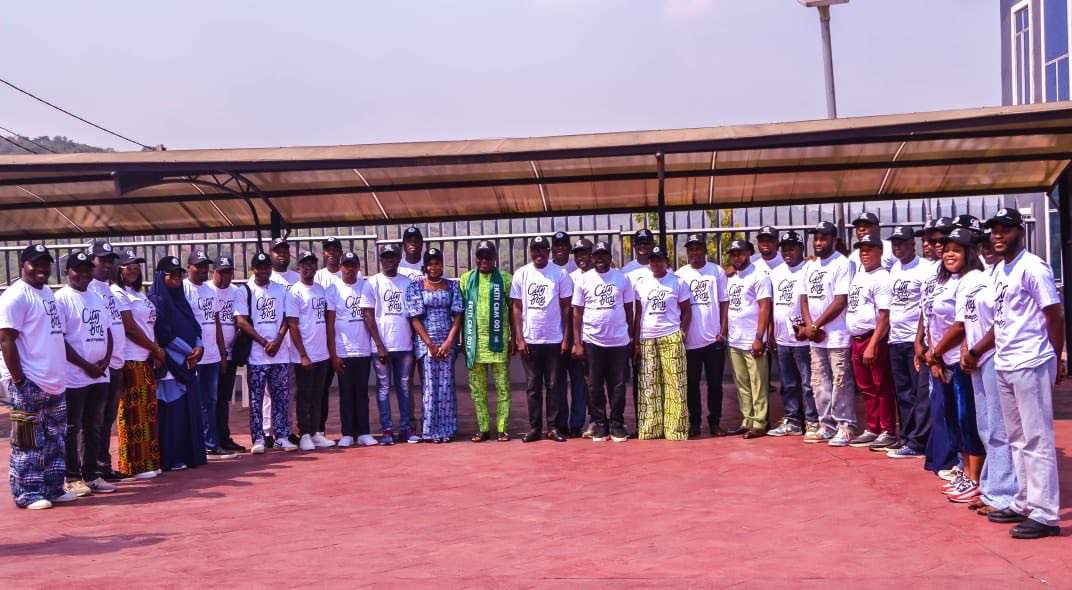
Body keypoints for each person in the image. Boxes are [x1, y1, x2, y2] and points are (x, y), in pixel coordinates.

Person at [982, 208, 1064, 539]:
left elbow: (1054, 315)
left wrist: (1056, 357)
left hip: (1031, 360)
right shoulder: (1000, 269)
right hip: (1005, 362)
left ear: (1021, 231)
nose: (998, 235)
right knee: (1016, 437)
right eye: (994, 230)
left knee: (1037, 438)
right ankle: (1025, 501)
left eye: (1006, 229)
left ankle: (1045, 514)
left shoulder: (1033, 267)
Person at [1, 244, 79, 509]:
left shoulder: (47, 293)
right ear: (24, 265)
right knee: (28, 443)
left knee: (55, 440)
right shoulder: (15, 297)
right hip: (29, 381)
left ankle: (53, 488)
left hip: (54, 381)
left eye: (46, 264)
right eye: (36, 263)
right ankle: (27, 493)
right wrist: (19, 381)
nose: (42, 269)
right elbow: (6, 340)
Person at [924, 228, 986, 503]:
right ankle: (965, 471)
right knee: (953, 420)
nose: (949, 254)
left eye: (956, 250)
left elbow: (961, 326)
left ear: (969, 253)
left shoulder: (973, 280)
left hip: (962, 361)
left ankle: (975, 478)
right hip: (943, 361)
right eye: (946, 249)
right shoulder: (945, 280)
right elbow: (930, 318)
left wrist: (936, 353)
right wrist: (934, 355)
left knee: (967, 418)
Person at [957, 232, 1017, 516]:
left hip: (994, 355)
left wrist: (977, 350)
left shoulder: (1003, 276)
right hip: (976, 358)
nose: (986, 250)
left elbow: (1000, 322)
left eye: (990, 245)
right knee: (984, 426)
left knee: (998, 427)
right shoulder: (974, 279)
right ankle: (991, 486)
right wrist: (966, 349)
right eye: (981, 246)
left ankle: (1004, 493)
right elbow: (968, 321)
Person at [56, 252, 115, 496]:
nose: (83, 274)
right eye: (77, 269)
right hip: (74, 376)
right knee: (73, 427)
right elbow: (60, 340)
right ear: (67, 272)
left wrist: (106, 361)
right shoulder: (61, 299)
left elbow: (108, 332)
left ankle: (92, 474)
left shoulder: (97, 297)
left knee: (94, 425)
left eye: (87, 269)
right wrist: (86, 365)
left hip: (100, 374)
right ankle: (72, 476)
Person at [798, 221, 857, 446]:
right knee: (818, 382)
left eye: (823, 238)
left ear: (834, 240)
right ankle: (826, 425)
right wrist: (811, 327)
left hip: (837, 335)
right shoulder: (810, 266)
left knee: (840, 382)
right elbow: (803, 299)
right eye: (816, 238)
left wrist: (815, 326)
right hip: (816, 338)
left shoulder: (842, 263)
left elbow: (841, 301)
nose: (818, 242)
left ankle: (845, 426)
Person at [150, 256, 209, 472]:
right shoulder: (157, 301)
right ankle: (172, 457)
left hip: (189, 362)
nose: (176, 278)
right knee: (173, 413)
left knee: (188, 411)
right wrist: (188, 352)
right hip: (172, 365)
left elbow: (195, 327)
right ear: (160, 276)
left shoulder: (182, 299)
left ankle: (188, 455)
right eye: (171, 274)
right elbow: (164, 334)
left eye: (178, 274)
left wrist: (199, 347)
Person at [572, 240, 635, 443]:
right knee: (594, 385)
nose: (600, 259)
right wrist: (578, 343)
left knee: (618, 385)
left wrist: (631, 338)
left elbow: (629, 310)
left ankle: (616, 424)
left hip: (619, 341)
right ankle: (600, 423)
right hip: (593, 341)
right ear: (592, 258)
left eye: (604, 255)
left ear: (610, 256)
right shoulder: (584, 280)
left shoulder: (622, 278)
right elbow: (577, 313)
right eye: (596, 255)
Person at [235, 252, 297, 453]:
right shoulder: (245, 290)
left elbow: (288, 318)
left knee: (281, 397)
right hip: (257, 356)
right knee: (256, 399)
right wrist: (263, 342)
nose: (263, 271)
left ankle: (282, 436)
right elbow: (241, 321)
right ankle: (259, 438)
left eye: (266, 267)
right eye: (259, 267)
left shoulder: (281, 289)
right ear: (253, 269)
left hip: (280, 354)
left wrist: (278, 340)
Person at [512, 236, 572, 443]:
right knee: (533, 387)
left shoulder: (560, 274)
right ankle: (535, 428)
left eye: (542, 249)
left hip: (554, 340)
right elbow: (517, 308)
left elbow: (566, 308)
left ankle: (553, 427)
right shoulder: (521, 274)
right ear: (530, 252)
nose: (538, 253)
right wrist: (519, 339)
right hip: (531, 340)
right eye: (534, 249)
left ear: (549, 251)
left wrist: (566, 338)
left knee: (554, 385)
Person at [113, 249, 165, 479]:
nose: (133, 270)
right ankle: (133, 465)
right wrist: (155, 349)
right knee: (133, 414)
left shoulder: (138, 293)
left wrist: (154, 349)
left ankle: (148, 461)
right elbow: (130, 328)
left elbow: (148, 325)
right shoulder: (117, 293)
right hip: (131, 359)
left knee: (147, 413)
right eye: (128, 266)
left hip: (145, 359)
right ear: (119, 269)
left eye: (136, 265)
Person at [405, 248, 464, 443]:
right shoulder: (415, 287)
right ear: (425, 266)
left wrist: (449, 342)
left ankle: (447, 430)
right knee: (430, 388)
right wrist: (429, 343)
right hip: (426, 344)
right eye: (430, 264)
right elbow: (414, 318)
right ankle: (430, 431)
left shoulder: (452, 286)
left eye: (437, 263)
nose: (433, 267)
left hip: (447, 343)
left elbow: (458, 316)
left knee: (446, 387)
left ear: (442, 265)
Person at [632, 246, 692, 440]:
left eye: (659, 260)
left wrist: (682, 332)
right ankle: (651, 428)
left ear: (667, 262)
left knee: (675, 384)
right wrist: (636, 342)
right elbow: (638, 314)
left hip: (670, 336)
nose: (655, 263)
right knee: (649, 385)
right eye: (652, 260)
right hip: (647, 338)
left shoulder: (677, 282)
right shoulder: (641, 283)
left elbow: (687, 311)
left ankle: (676, 429)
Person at [844, 234, 897, 450]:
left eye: (870, 249)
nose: (865, 253)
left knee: (881, 386)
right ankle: (873, 427)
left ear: (880, 252)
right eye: (862, 250)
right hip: (857, 339)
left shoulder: (881, 278)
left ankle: (887, 430)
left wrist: (873, 345)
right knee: (866, 387)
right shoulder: (859, 275)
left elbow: (885, 316)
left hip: (872, 338)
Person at [916, 217, 959, 477]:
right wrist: (920, 343)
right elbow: (926, 310)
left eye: (942, 239)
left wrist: (937, 353)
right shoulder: (931, 271)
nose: (936, 244)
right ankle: (942, 457)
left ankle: (956, 461)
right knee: (937, 405)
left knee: (954, 409)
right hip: (933, 350)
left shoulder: (961, 272)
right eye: (932, 240)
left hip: (953, 353)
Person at [460, 240, 515, 442]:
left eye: (488, 256)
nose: (484, 260)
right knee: (477, 390)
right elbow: (460, 313)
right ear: (475, 258)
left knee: (503, 388)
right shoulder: (465, 280)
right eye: (480, 256)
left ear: (495, 258)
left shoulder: (506, 279)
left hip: (499, 343)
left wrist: (514, 337)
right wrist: (463, 340)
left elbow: (514, 310)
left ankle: (502, 428)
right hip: (474, 344)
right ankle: (483, 428)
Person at [675, 233, 729, 438]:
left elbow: (724, 303)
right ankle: (694, 422)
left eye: (698, 248)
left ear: (705, 250)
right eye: (691, 249)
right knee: (691, 385)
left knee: (715, 384)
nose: (694, 252)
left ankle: (715, 422)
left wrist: (722, 332)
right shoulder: (680, 275)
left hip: (714, 340)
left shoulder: (716, 271)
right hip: (690, 342)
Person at [364, 243, 416, 445]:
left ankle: (406, 428)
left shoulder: (407, 283)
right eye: (386, 257)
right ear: (380, 259)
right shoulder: (372, 283)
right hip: (382, 347)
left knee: (404, 387)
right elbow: (368, 315)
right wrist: (379, 345)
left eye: (393, 256)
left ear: (398, 259)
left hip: (404, 346)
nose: (389, 260)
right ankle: (387, 430)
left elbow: (413, 314)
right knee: (384, 387)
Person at [88, 240, 131, 482]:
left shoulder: (108, 289)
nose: (107, 265)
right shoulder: (89, 289)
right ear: (91, 260)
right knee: (93, 422)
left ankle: (103, 465)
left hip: (115, 364)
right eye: (102, 260)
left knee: (106, 420)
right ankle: (90, 468)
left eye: (110, 261)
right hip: (98, 368)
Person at [884, 226, 930, 459]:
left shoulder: (925, 268)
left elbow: (926, 306)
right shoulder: (894, 269)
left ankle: (919, 441)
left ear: (913, 243)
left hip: (914, 341)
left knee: (919, 394)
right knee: (902, 393)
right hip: (896, 339)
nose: (898, 247)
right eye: (894, 243)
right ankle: (907, 437)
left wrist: (919, 340)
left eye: (902, 242)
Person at [183, 249, 234, 458]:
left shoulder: (210, 291)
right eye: (199, 266)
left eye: (205, 265)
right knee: (193, 401)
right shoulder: (184, 289)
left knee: (210, 401)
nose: (203, 269)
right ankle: (195, 444)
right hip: (193, 356)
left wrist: (223, 353)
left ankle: (211, 443)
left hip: (212, 355)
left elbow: (216, 323)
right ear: (189, 267)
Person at [767, 230, 817, 437]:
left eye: (792, 248)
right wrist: (771, 333)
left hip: (804, 339)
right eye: (784, 249)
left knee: (809, 383)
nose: (788, 252)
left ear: (801, 249)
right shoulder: (776, 273)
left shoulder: (810, 269)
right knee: (788, 384)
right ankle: (793, 420)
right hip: (783, 339)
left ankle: (813, 421)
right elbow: (772, 305)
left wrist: (810, 327)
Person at [326, 252, 378, 447]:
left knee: (362, 392)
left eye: (353, 265)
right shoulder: (333, 290)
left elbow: (371, 316)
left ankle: (364, 432)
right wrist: (333, 354)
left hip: (363, 349)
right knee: (346, 393)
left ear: (358, 267)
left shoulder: (366, 286)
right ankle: (347, 432)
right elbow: (330, 324)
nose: (349, 269)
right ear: (340, 268)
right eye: (346, 265)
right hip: (343, 351)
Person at [288, 250, 335, 451]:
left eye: (312, 264)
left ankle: (316, 432)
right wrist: (303, 354)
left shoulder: (321, 290)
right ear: (299, 268)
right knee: (304, 395)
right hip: (304, 355)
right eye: (305, 264)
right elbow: (292, 324)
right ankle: (304, 433)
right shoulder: (294, 292)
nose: (309, 268)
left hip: (321, 353)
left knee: (318, 394)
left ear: (317, 267)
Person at [725, 240, 772, 439]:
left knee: (758, 382)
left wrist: (759, 337)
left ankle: (760, 422)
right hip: (734, 339)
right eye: (733, 254)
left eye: (740, 253)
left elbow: (765, 307)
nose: (736, 257)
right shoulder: (731, 277)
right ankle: (748, 419)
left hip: (752, 339)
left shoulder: (759, 276)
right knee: (742, 383)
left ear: (749, 253)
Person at [210, 254, 247, 453]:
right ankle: (211, 439)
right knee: (210, 399)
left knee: (223, 399)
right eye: (221, 272)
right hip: (210, 355)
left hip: (230, 354)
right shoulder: (207, 290)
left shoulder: (236, 292)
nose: (225, 277)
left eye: (228, 273)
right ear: (213, 272)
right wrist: (221, 353)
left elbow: (239, 319)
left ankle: (224, 438)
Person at [267, 237, 299, 447]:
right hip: (268, 344)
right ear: (270, 254)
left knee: (289, 391)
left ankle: (286, 429)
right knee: (267, 392)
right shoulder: (264, 276)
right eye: (277, 251)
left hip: (291, 343)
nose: (282, 255)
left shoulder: (296, 278)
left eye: (285, 251)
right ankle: (266, 431)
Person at [559, 238, 593, 437]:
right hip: (570, 339)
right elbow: (569, 310)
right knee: (565, 384)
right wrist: (571, 339)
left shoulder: (603, 275)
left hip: (593, 338)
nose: (581, 257)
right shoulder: (570, 277)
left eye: (585, 252)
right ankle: (565, 424)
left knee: (585, 384)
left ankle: (581, 423)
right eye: (578, 253)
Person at [315, 237, 344, 439]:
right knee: (321, 388)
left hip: (345, 341)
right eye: (328, 249)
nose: (332, 252)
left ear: (340, 252)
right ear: (323, 253)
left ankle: (351, 430)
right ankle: (319, 429)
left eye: (335, 249)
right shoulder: (318, 276)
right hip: (322, 340)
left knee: (347, 388)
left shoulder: (350, 273)